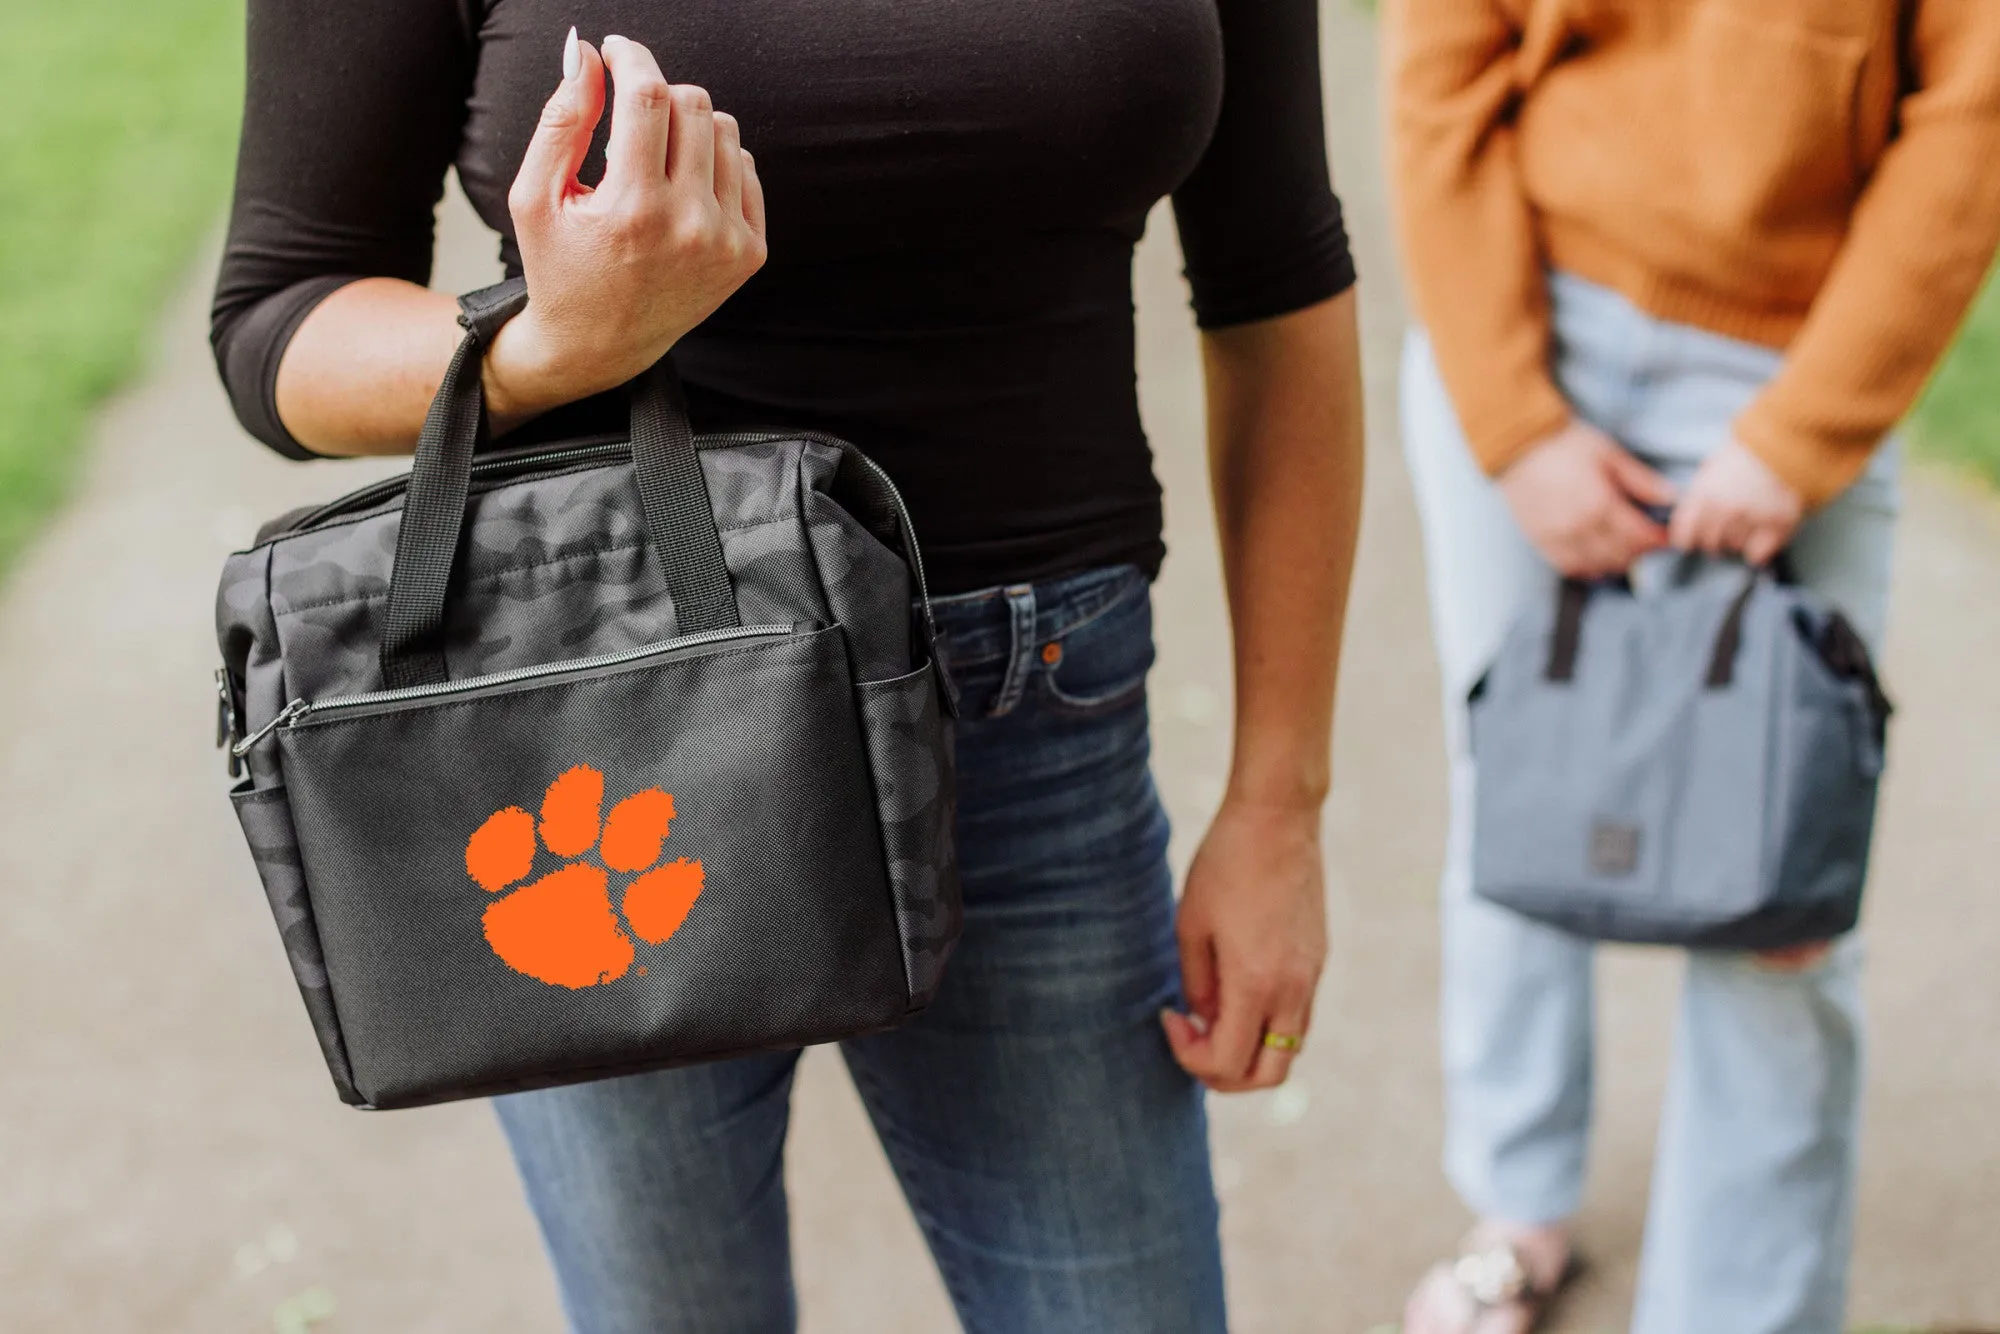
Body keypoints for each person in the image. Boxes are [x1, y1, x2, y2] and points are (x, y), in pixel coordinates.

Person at [211, 4, 1365, 1330]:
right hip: (602, 712)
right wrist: (536, 349)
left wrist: (1282, 800)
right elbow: (280, 317)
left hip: (1032, 721)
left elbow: (1280, 280)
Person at [1385, 1, 2000, 1330]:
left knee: (1783, 886)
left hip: (1798, 351)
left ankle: (1743, 1309)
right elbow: (1439, 71)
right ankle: (1518, 1204)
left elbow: (1975, 109)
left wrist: (1802, 434)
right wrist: (1513, 422)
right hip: (1527, 318)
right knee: (1516, 794)